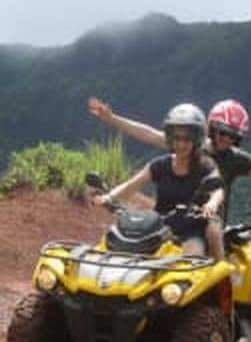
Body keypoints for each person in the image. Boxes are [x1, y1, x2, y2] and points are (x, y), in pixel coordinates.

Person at [88, 96, 251, 222]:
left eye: (232, 136)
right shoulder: (189, 143)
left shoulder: (235, 160)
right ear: (210, 127)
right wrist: (113, 119)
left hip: (208, 222)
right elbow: (149, 134)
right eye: (222, 132)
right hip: (168, 218)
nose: (225, 139)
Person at [92, 103, 226, 260]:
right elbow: (131, 185)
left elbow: (218, 190)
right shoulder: (159, 165)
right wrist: (108, 198)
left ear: (196, 139)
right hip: (159, 228)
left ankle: (224, 279)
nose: (181, 144)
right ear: (170, 138)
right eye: (176, 138)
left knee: (192, 262)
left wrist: (212, 204)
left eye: (187, 139)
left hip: (192, 228)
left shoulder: (205, 165)